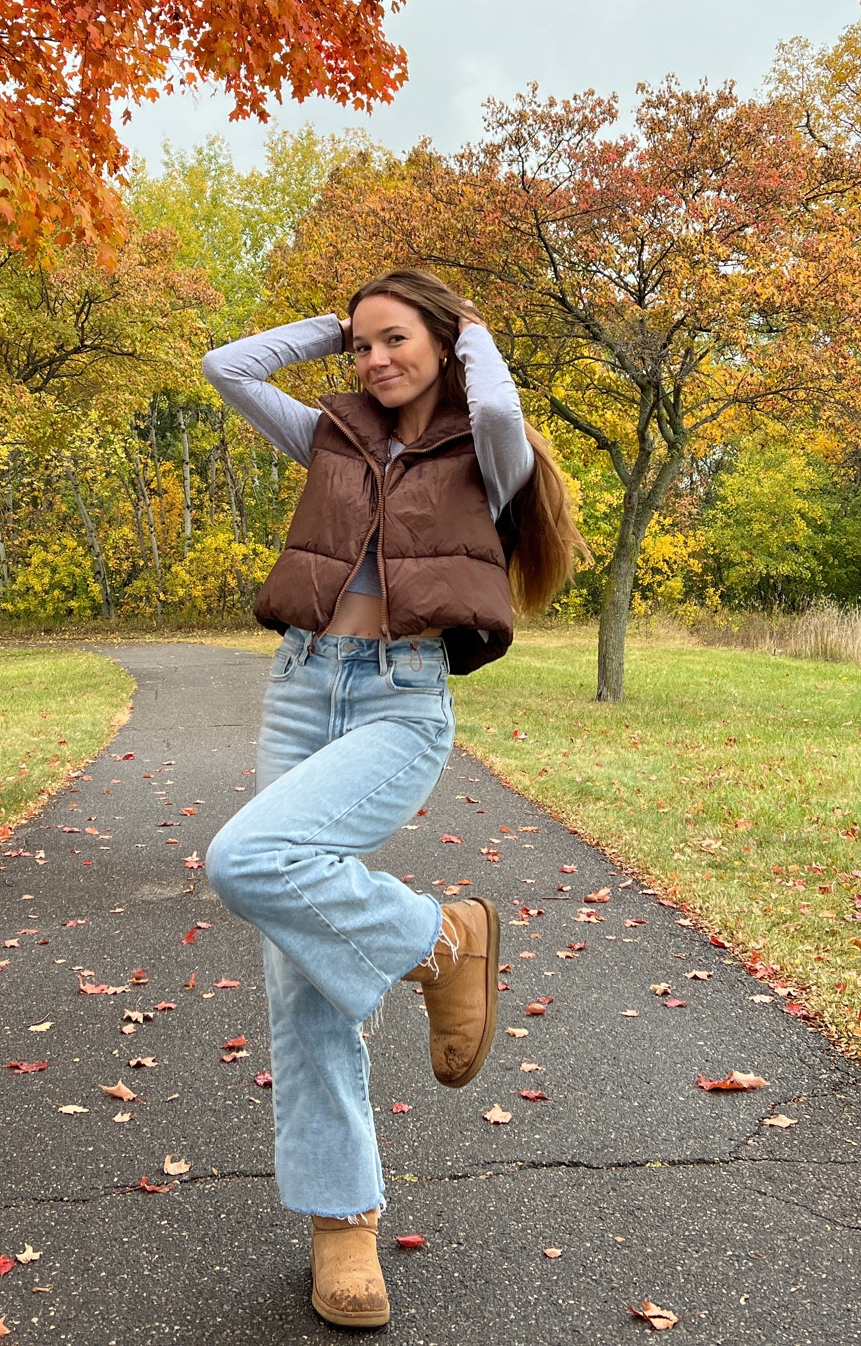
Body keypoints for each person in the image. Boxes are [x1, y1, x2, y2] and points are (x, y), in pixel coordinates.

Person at [200, 269, 588, 1329]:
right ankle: (343, 1221)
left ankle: (442, 941)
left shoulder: (488, 449)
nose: (374, 360)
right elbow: (226, 367)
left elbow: (497, 405)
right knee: (298, 976)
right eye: (361, 345)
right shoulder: (330, 433)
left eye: (395, 340)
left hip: (398, 701)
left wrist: (474, 333)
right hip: (301, 689)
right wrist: (333, 328)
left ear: (446, 344)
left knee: (246, 861)